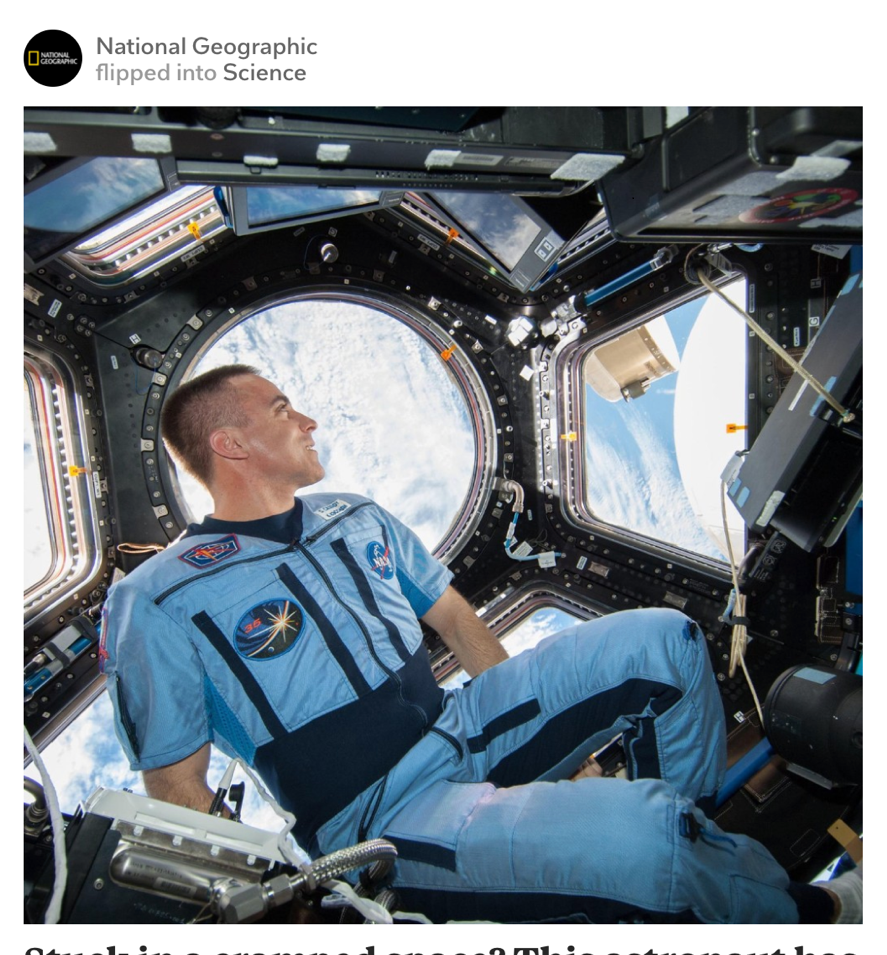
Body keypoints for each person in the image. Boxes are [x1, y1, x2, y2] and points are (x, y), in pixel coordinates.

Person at [101, 364, 861, 924]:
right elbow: (178, 788)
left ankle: (692, 852)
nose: (307, 420)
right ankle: (811, 916)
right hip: (380, 812)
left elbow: (457, 622)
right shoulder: (157, 597)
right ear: (231, 444)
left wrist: (540, 731)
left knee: (663, 645)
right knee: (643, 843)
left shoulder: (352, 515)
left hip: (462, 725)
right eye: (282, 408)